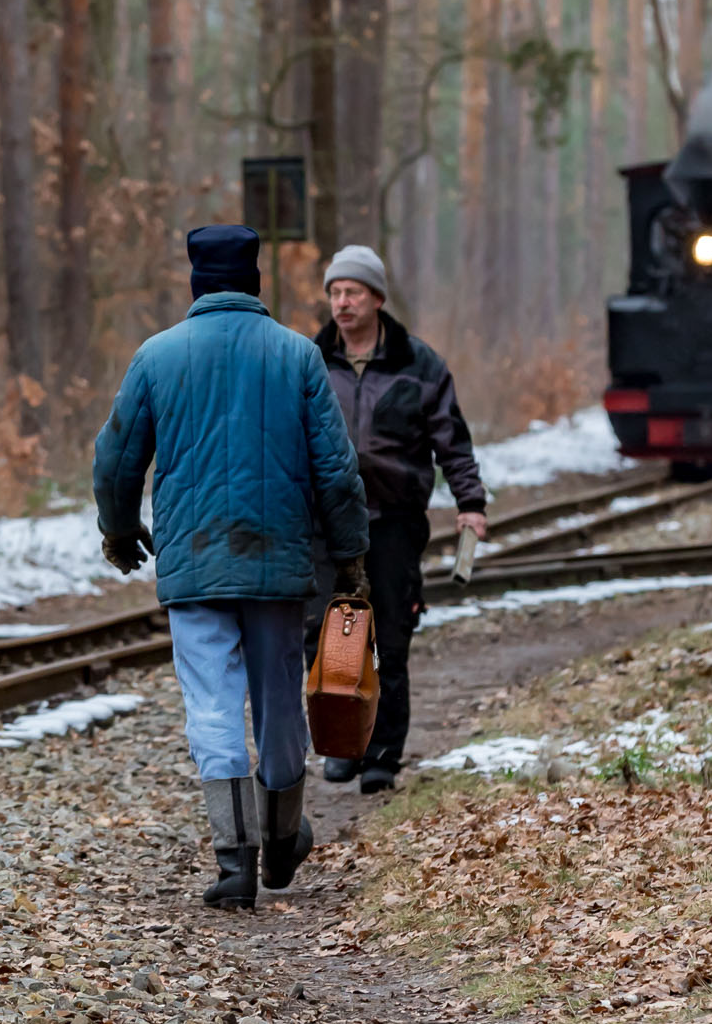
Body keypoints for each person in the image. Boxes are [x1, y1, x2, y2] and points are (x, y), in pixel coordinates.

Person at [93, 224, 370, 910]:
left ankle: (235, 863)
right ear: (253, 282)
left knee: (212, 705)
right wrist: (351, 556)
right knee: (280, 702)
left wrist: (121, 529)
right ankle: (281, 841)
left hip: (194, 564)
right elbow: (337, 471)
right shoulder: (297, 356)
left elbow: (117, 456)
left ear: (197, 283)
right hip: (277, 564)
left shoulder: (158, 357)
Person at [312, 244, 485, 792]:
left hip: (394, 520)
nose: (342, 303)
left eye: (353, 292)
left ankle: (383, 755)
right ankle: (343, 746)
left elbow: (452, 440)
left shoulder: (420, 364)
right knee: (334, 637)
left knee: (391, 636)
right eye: (335, 292)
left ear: (377, 299)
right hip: (330, 523)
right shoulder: (310, 360)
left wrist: (470, 503)